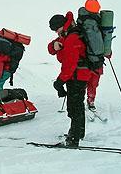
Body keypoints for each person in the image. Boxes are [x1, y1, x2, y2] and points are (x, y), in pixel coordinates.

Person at [48, 11, 91, 147]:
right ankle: (79, 132)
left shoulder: (72, 38)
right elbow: (51, 48)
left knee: (74, 107)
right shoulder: (68, 33)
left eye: (56, 29)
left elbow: (69, 65)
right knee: (78, 104)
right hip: (80, 75)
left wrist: (60, 82)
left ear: (61, 25)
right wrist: (54, 45)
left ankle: (73, 140)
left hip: (77, 76)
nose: (56, 33)